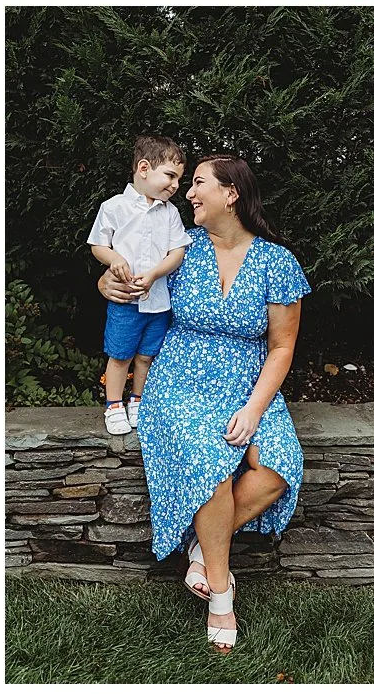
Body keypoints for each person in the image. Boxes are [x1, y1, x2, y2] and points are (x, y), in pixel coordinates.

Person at [101, 155, 310, 652]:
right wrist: (107, 281)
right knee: (209, 467)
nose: (188, 193)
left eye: (198, 184)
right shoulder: (180, 247)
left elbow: (282, 346)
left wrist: (256, 408)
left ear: (231, 194)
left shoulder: (277, 262)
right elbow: (125, 272)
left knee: (279, 469)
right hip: (179, 377)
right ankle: (220, 592)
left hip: (248, 381)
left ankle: (198, 543)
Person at [86, 136, 191, 435]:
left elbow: (177, 252)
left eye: (178, 180)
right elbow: (98, 245)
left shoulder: (169, 212)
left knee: (146, 355)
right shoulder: (114, 207)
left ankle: (138, 399)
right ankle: (114, 405)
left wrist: (156, 273)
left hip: (157, 301)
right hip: (125, 301)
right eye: (170, 176)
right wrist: (114, 259)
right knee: (120, 355)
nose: (175, 186)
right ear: (144, 168)